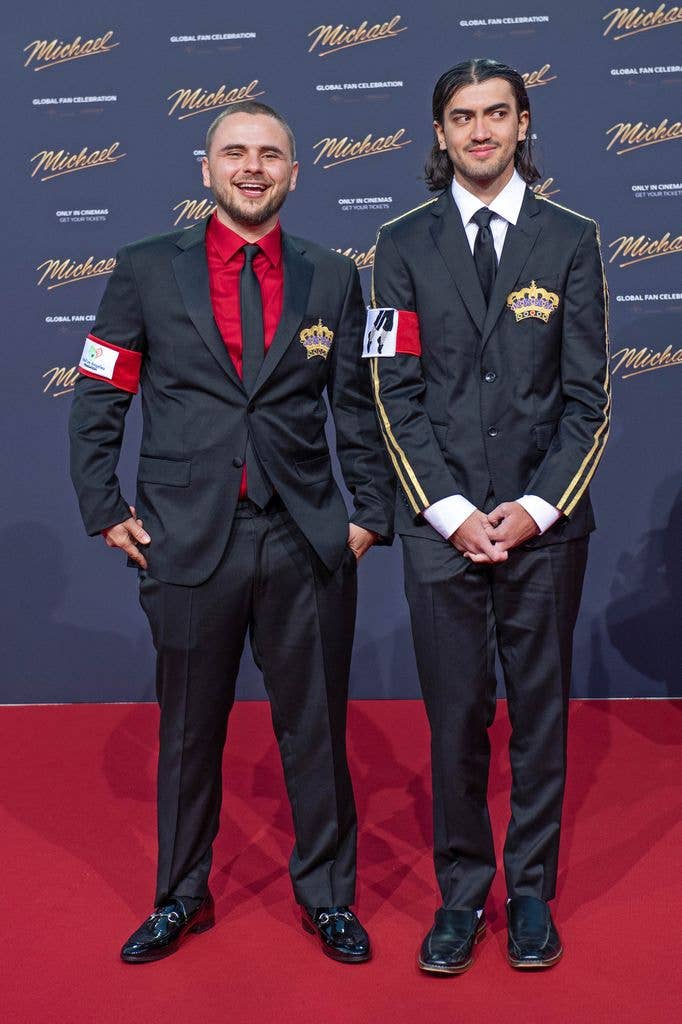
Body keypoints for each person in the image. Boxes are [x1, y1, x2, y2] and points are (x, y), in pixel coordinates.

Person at [69, 100, 393, 965]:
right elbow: (101, 392)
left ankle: (328, 898)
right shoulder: (143, 270)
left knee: (316, 728)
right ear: (204, 170)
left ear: (295, 171)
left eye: (270, 154)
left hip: (307, 539)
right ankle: (179, 897)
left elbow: (356, 410)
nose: (253, 167)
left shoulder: (332, 274)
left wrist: (368, 515)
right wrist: (104, 507)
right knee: (187, 731)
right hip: (185, 538)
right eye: (235, 153)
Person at [365, 58, 610, 972]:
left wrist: (537, 509)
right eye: (462, 116)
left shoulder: (573, 238)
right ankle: (462, 896)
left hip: (547, 534)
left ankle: (532, 892)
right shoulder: (398, 244)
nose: (479, 130)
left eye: (496, 114)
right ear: (439, 132)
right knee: (456, 718)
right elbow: (391, 389)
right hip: (442, 535)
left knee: (541, 717)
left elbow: (590, 398)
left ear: (522, 123)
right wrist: (452, 510)